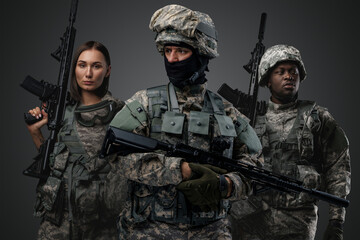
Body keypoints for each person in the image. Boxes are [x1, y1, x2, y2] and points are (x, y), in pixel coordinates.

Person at [106, 4, 263, 240]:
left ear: (201, 54)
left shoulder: (228, 113)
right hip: (148, 231)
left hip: (211, 231)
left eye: (181, 51)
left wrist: (228, 185)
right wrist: (180, 170)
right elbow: (115, 154)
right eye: (168, 51)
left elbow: (256, 167)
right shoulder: (145, 103)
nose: (172, 59)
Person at [229, 44, 351, 240]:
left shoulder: (317, 118)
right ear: (267, 79)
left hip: (297, 218)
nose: (289, 76)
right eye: (280, 72)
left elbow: (338, 167)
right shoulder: (248, 116)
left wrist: (336, 222)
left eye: (293, 72)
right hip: (249, 215)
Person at [26, 41, 127, 239]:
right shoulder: (61, 111)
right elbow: (53, 164)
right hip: (58, 222)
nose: (88, 73)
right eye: (82, 65)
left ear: (107, 71)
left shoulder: (120, 114)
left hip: (101, 225)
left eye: (96, 66)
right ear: (74, 69)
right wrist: (35, 131)